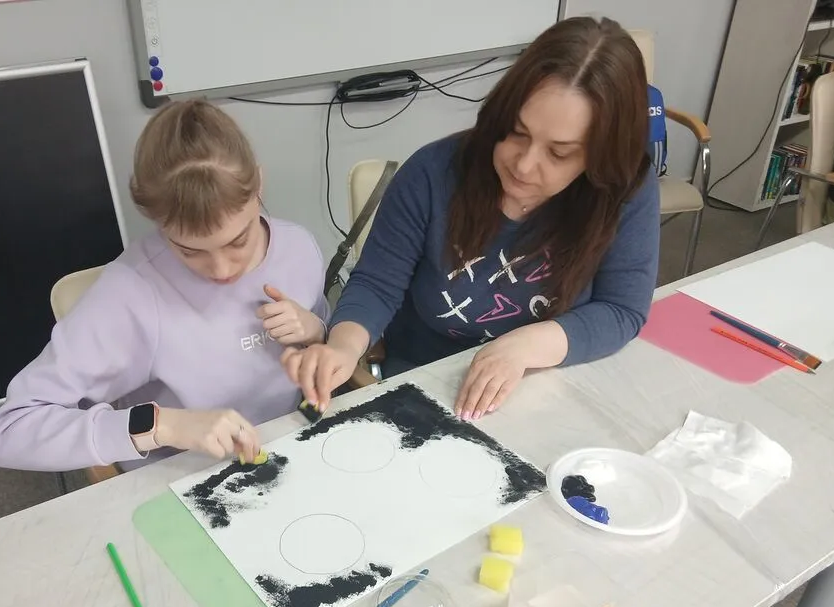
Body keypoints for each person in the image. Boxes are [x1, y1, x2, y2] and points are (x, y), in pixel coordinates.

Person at [282, 16, 659, 420]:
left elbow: (621, 309)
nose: (524, 165)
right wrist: (343, 348)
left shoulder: (622, 189)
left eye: (559, 153)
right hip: (428, 384)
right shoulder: (432, 174)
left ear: (601, 156)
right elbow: (377, 284)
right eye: (516, 132)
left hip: (546, 382)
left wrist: (521, 347)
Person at [0, 100, 329, 472]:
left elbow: (324, 348)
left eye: (238, 241)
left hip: (293, 452)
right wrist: (162, 425)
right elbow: (10, 432)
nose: (221, 269)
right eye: (189, 250)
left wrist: (316, 332)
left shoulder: (298, 247)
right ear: (156, 220)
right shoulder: (129, 295)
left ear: (258, 184)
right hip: (186, 479)